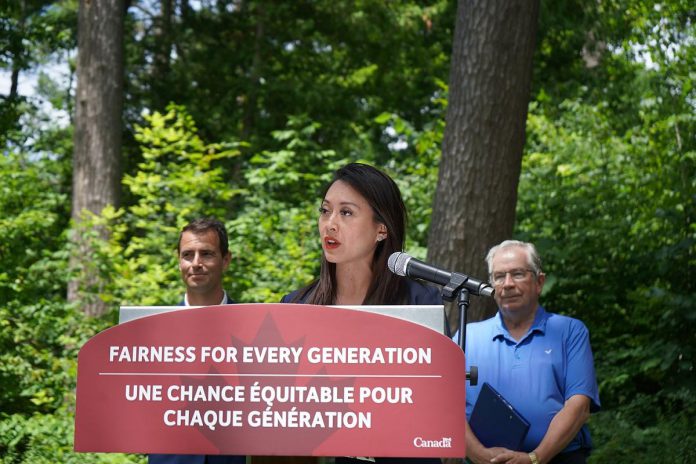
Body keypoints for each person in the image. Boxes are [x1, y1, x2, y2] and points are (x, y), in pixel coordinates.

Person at [282, 162, 443, 464]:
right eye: (325, 210)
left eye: (346, 213)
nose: (329, 224)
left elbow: (429, 403)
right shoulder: (295, 305)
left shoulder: (419, 303)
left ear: (381, 229)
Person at [463, 240, 600, 464]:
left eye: (517, 274)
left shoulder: (569, 332)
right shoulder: (467, 337)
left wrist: (535, 458)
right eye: (499, 276)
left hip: (559, 458)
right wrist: (478, 455)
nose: (507, 284)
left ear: (539, 282)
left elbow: (579, 405)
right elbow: (446, 406)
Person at [149, 218, 244, 464]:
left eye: (207, 254)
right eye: (188, 255)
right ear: (179, 261)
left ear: (226, 260)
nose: (196, 264)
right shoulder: (151, 333)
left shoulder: (253, 330)